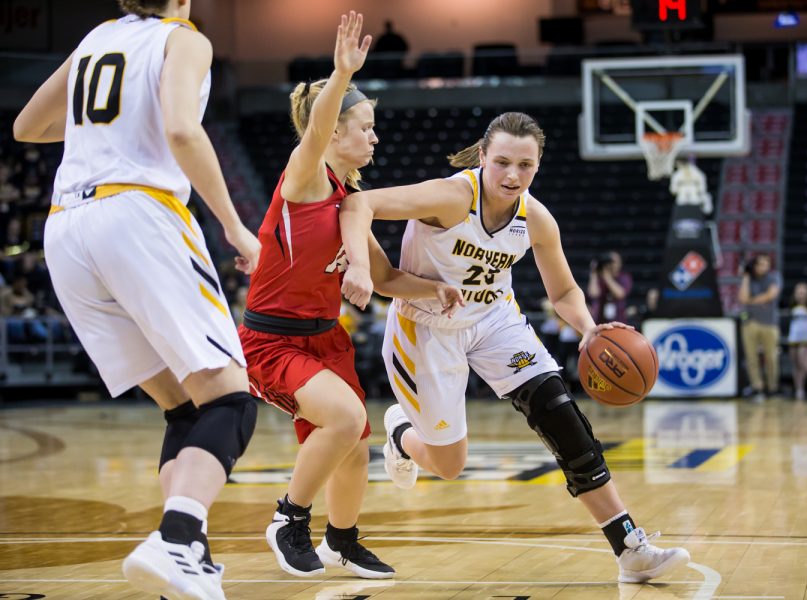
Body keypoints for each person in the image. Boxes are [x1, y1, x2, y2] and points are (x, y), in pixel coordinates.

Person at [339, 111, 690, 584]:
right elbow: (356, 205)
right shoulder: (449, 197)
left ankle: (629, 547)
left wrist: (588, 329)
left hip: (493, 319)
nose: (512, 175)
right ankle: (401, 431)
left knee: (558, 410)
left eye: (525, 165)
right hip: (426, 327)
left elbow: (563, 293)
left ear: (538, 165)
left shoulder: (536, 219)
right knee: (448, 465)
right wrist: (360, 267)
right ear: (482, 157)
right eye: (502, 162)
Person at [14, 1, 262, 598]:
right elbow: (182, 130)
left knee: (183, 406)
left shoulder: (97, 36)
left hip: (66, 227)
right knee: (231, 398)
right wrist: (233, 224)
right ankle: (176, 539)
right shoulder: (185, 38)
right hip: (138, 213)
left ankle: (189, 549)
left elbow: (27, 126)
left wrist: (109, 129)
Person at [237, 12, 463, 581]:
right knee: (345, 418)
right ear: (334, 130)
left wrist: (435, 288)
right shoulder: (305, 179)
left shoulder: (347, 201)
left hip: (325, 340)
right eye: (363, 126)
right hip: (272, 341)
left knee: (355, 445)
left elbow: (385, 280)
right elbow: (313, 134)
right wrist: (340, 76)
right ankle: (289, 519)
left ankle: (342, 539)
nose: (374, 135)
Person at [738, 255, 782, 401]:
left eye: (766, 264)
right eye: (761, 264)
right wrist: (745, 276)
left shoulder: (774, 277)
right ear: (754, 266)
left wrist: (751, 301)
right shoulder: (749, 279)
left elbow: (770, 296)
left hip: (769, 323)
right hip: (750, 323)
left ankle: (772, 388)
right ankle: (757, 387)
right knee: (751, 357)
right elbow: (742, 298)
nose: (764, 267)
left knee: (771, 357)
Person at [587, 251, 633, 324]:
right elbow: (594, 294)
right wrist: (594, 273)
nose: (611, 265)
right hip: (600, 320)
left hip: (619, 321)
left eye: (614, 262)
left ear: (620, 263)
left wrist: (607, 277)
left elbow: (620, 294)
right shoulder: (599, 278)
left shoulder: (624, 277)